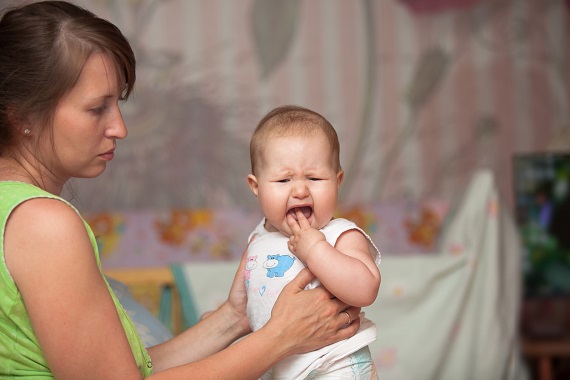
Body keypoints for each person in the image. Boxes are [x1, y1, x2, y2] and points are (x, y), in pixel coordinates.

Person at [0, 2, 362, 378]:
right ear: (24, 115)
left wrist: (234, 317)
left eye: (118, 103)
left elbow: (124, 370)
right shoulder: (43, 224)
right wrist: (279, 339)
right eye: (97, 109)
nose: (120, 128)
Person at [245, 105, 382, 379]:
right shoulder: (258, 239)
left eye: (315, 178)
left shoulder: (340, 234)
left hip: (336, 365)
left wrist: (315, 248)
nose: (299, 190)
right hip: (278, 367)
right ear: (256, 187)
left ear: (337, 180)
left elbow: (366, 289)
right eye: (283, 179)